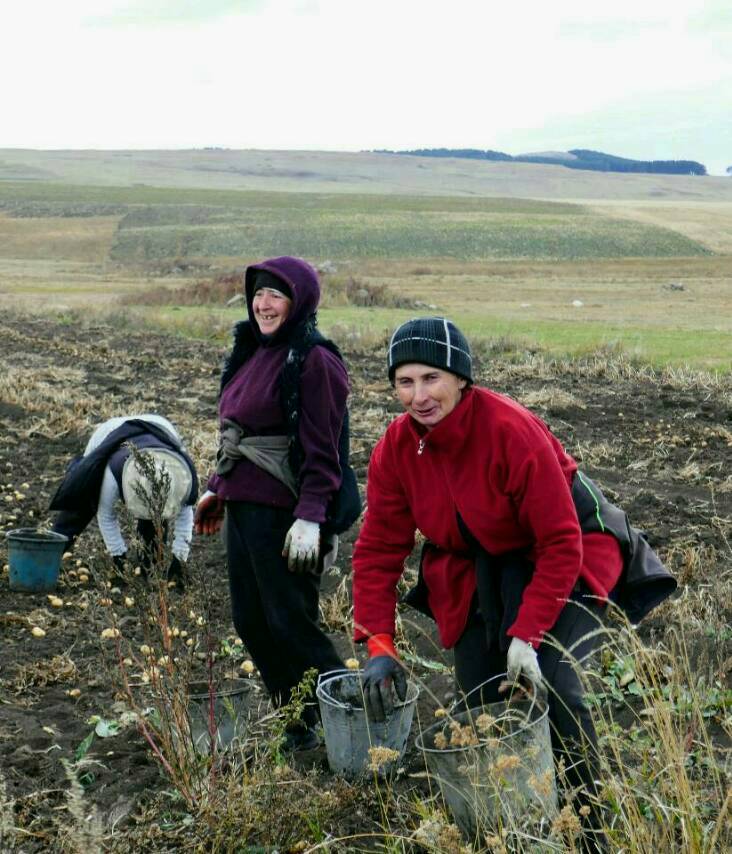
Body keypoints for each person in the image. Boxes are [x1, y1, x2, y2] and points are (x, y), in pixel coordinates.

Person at [352, 317, 676, 852]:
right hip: (479, 565)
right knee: (480, 701)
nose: (419, 395)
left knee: (556, 686)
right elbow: (380, 548)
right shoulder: (395, 448)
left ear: (461, 378)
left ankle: (587, 828)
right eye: (404, 382)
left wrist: (526, 634)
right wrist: (379, 644)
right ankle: (507, 828)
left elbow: (559, 540)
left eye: (431, 377)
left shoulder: (509, 429)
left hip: (564, 554)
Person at [194, 255, 355, 751]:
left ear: (299, 301)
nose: (263, 304)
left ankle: (352, 723)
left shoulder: (313, 360)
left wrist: (310, 517)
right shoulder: (252, 350)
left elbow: (325, 450)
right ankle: (302, 722)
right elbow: (237, 436)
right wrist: (218, 489)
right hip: (244, 510)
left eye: (276, 295)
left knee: (291, 623)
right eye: (259, 294)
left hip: (285, 517)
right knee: (252, 623)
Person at [49, 414, 198, 585]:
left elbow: (185, 517)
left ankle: (150, 564)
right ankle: (49, 552)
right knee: (82, 502)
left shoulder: (184, 477)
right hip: (109, 434)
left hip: (161, 427)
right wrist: (119, 555)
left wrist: (180, 559)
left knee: (154, 519)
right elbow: (106, 515)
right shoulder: (112, 475)